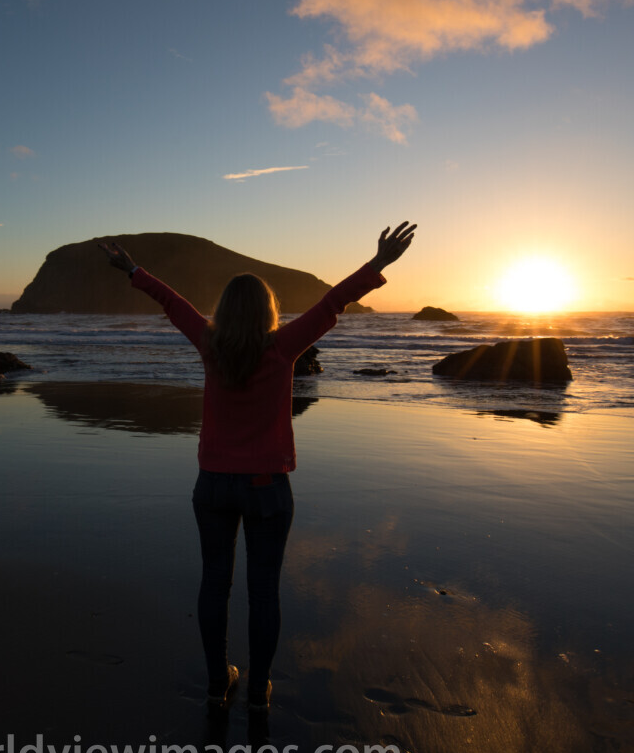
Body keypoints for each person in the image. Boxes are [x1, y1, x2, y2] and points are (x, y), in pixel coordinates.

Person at [99, 222, 416, 712]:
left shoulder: (209, 343)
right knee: (263, 592)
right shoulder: (283, 346)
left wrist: (134, 270)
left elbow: (171, 302)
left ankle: (215, 682)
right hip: (268, 488)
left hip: (213, 487)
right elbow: (333, 303)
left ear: (224, 312)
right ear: (269, 311)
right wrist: (378, 263)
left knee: (214, 584)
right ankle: (259, 689)